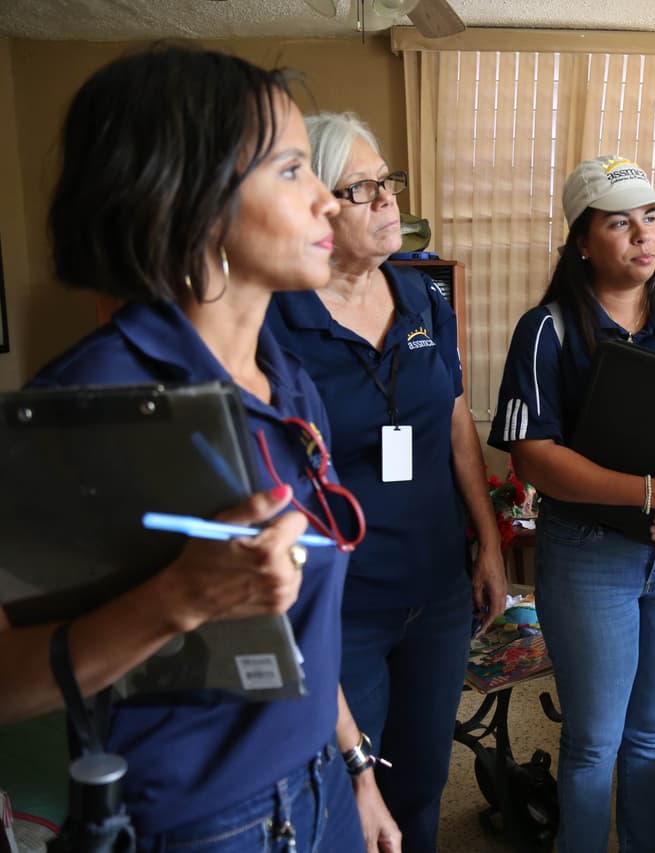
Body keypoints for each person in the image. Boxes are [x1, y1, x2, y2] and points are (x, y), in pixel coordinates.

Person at [4, 46, 402, 852]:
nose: (330, 202)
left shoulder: (284, 378)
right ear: (193, 204)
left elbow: (299, 625)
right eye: (294, 170)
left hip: (319, 788)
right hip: (206, 825)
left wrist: (356, 766)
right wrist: (179, 599)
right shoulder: (95, 403)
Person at [488, 154, 655, 852]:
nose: (644, 234)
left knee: (652, 736)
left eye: (651, 217)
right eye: (619, 222)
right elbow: (532, 455)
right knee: (592, 742)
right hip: (587, 557)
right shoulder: (546, 330)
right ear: (582, 241)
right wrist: (646, 491)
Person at [265, 111, 507, 851]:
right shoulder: (277, 320)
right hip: (346, 603)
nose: (386, 202)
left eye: (387, 183)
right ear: (318, 208)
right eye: (361, 188)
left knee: (422, 779)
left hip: (435, 590)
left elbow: (456, 422)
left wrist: (489, 544)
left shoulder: (426, 300)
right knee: (348, 789)